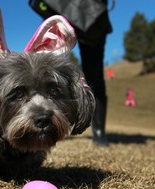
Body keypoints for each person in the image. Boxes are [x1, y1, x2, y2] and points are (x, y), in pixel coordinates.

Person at [30, 0, 113, 146]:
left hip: (91, 14)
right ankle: (48, 123)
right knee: (45, 68)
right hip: (62, 7)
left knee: (94, 74)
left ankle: (99, 131)